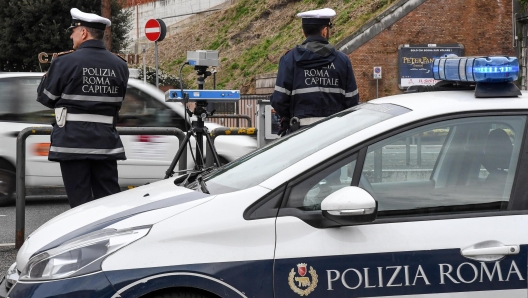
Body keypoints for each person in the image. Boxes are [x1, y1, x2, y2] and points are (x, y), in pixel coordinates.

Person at [36, 8, 129, 208]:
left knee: (80, 204)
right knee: (109, 200)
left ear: (84, 33)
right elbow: (118, 102)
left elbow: (46, 98)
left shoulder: (64, 61)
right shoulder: (120, 65)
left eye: (73, 31)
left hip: (72, 142)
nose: (71, 35)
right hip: (105, 142)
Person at [271, 8, 359, 136]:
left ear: (303, 32)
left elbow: (279, 100)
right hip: (334, 135)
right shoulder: (342, 61)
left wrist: (290, 116)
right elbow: (352, 101)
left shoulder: (289, 60)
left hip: (299, 135)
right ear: (324, 31)